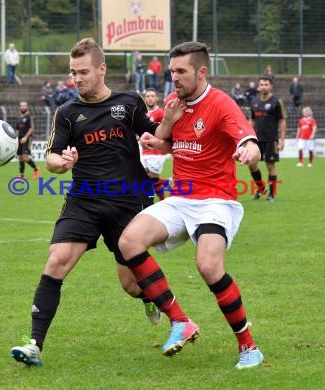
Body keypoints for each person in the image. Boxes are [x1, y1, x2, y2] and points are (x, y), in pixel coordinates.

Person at [10, 38, 165, 367]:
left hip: (128, 201)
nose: (76, 79)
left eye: (83, 72)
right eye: (72, 73)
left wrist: (156, 135)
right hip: (85, 200)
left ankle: (149, 297)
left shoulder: (129, 102)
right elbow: (51, 157)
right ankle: (34, 344)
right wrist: (61, 163)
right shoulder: (67, 114)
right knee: (57, 260)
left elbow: (157, 135)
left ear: (101, 69)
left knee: (131, 286)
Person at [118, 41, 265, 370]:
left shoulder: (222, 105)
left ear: (202, 71)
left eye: (180, 72)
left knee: (209, 266)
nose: (174, 78)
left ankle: (248, 346)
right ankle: (180, 320)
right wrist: (159, 140)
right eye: (171, 72)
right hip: (181, 196)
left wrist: (249, 153)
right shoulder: (173, 101)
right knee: (128, 240)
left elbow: (249, 142)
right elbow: (172, 141)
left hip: (216, 200)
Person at [248, 74, 287, 202]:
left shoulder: (276, 102)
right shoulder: (254, 102)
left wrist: (282, 139)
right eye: (261, 84)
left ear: (270, 86)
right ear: (259, 86)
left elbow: (282, 121)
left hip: (271, 139)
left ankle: (272, 194)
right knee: (252, 164)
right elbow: (252, 120)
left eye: (266, 84)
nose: (263, 87)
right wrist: (247, 137)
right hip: (256, 139)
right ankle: (261, 188)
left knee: (270, 165)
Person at [141, 88, 169, 201]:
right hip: (144, 151)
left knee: (150, 178)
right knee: (146, 178)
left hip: (156, 152)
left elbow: (166, 130)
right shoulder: (143, 114)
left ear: (156, 98)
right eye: (148, 96)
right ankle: (161, 198)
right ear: (145, 98)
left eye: (152, 96)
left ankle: (156, 199)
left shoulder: (161, 113)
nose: (150, 98)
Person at [15, 101, 40, 179]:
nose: (23, 107)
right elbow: (17, 129)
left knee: (25, 157)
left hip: (27, 139)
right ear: (20, 107)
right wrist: (16, 138)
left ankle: (36, 169)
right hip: (19, 139)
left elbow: (31, 128)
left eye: (24, 106)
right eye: (21, 106)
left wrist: (25, 137)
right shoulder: (19, 118)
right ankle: (22, 175)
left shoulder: (29, 117)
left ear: (27, 107)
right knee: (20, 157)